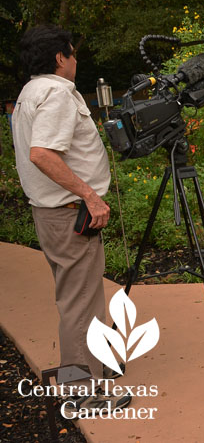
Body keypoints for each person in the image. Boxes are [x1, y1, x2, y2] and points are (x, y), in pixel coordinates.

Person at [12, 25, 131, 413]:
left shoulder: (31, 91)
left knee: (77, 298)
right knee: (81, 303)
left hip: (52, 213)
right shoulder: (58, 93)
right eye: (72, 53)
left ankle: (90, 373)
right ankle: (84, 394)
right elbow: (42, 153)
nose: (76, 60)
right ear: (60, 58)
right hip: (68, 214)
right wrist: (90, 195)